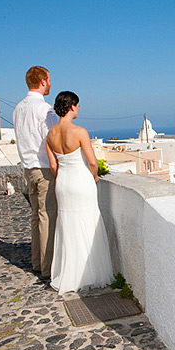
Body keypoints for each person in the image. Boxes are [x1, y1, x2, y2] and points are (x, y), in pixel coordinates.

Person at [46, 91, 113, 294]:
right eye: (78, 105)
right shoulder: (79, 131)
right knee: (88, 222)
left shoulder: (50, 134)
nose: (79, 109)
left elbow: (53, 166)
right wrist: (92, 176)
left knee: (67, 226)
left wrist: (63, 178)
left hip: (63, 183)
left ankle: (69, 275)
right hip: (81, 180)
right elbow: (92, 162)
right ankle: (90, 274)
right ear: (73, 106)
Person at [13, 66, 58, 280]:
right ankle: (48, 268)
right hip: (43, 168)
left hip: (28, 168)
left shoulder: (18, 108)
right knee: (47, 216)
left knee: (36, 216)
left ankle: (37, 263)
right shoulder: (44, 109)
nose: (50, 83)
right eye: (49, 79)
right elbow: (52, 140)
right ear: (42, 81)